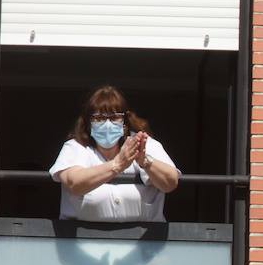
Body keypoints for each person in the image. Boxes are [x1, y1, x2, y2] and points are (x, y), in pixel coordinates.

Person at [49, 85, 180, 221]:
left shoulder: (142, 143)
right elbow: (73, 183)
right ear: (88, 122)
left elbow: (170, 183)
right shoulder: (76, 146)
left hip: (144, 239)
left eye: (114, 117)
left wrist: (145, 161)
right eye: (99, 118)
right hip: (84, 237)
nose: (107, 124)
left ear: (124, 121)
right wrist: (117, 165)